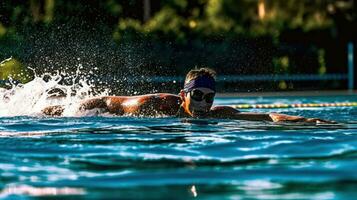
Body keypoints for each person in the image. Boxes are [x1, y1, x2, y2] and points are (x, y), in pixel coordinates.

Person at [42, 68, 334, 124]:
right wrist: (68, 111)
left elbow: (266, 116)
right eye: (197, 95)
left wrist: (311, 120)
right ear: (184, 95)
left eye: (209, 97)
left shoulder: (214, 115)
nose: (203, 103)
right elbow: (108, 104)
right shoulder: (155, 105)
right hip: (93, 108)